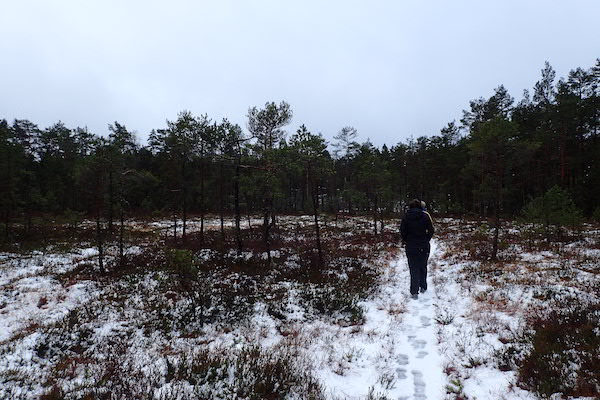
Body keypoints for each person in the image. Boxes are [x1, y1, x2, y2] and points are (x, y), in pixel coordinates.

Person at [400, 199, 434, 299]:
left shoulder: (406, 217)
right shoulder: (425, 216)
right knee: (423, 266)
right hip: (423, 245)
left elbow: (402, 232)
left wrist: (407, 240)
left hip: (411, 246)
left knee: (413, 268)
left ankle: (414, 291)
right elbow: (431, 230)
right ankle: (423, 287)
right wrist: (426, 239)